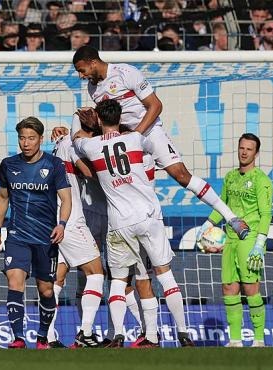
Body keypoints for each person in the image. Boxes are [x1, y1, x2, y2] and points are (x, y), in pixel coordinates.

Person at [71, 45, 250, 241]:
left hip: (149, 133)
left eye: (82, 70)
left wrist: (136, 135)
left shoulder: (125, 72)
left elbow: (156, 105)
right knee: (138, 195)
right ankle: (146, 262)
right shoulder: (93, 88)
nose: (81, 76)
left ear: (93, 62)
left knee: (181, 176)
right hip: (127, 141)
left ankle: (231, 218)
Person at [72, 99, 193, 348]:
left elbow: (76, 139)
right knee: (164, 274)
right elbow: (155, 146)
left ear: (98, 119)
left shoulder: (91, 146)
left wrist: (86, 125)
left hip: (119, 222)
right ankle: (183, 333)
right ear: (120, 117)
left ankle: (117, 335)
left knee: (118, 280)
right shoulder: (137, 139)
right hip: (148, 217)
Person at [0, 117, 72, 349]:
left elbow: (66, 199)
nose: (26, 143)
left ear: (41, 139)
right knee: (14, 282)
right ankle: (17, 338)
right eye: (22, 138)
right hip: (17, 235)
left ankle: (43, 337)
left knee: (46, 289)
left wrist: (62, 224)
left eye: (31, 138)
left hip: (46, 237)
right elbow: (3, 197)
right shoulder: (9, 164)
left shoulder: (54, 165)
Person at [198, 133, 273, 348]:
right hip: (230, 239)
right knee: (229, 287)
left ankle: (259, 340)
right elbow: (223, 207)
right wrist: (208, 224)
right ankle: (235, 340)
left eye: (249, 149)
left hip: (250, 240)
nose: (244, 152)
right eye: (241, 148)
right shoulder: (230, 177)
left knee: (251, 288)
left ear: (256, 153)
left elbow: (266, 214)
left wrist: (260, 244)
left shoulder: (262, 180)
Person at [44, 125, 106, 348]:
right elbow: (90, 173)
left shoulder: (60, 144)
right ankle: (85, 333)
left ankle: (48, 336)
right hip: (70, 219)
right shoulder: (72, 144)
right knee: (96, 272)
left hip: (52, 219)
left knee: (57, 278)